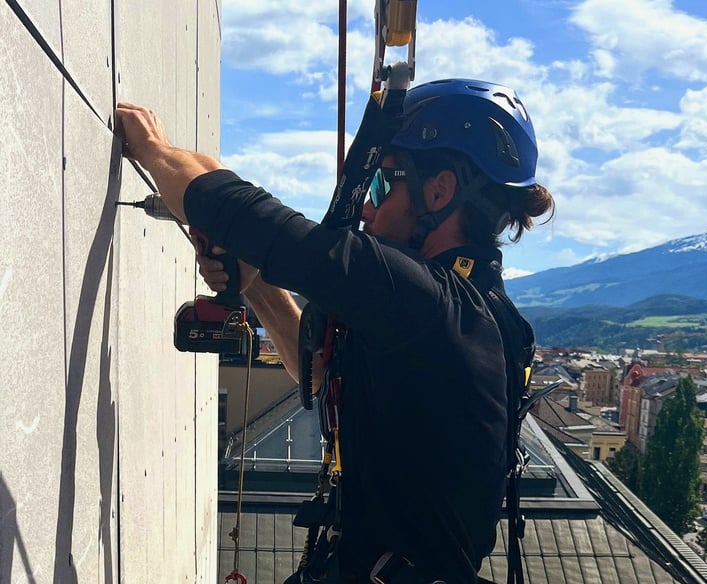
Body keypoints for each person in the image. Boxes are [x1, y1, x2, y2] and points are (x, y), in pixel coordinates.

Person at [116, 78, 555, 584]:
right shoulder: (478, 315)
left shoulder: (430, 303)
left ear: (440, 190)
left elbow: (246, 216)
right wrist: (256, 285)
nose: (367, 207)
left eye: (384, 182)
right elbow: (321, 374)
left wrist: (154, 150)